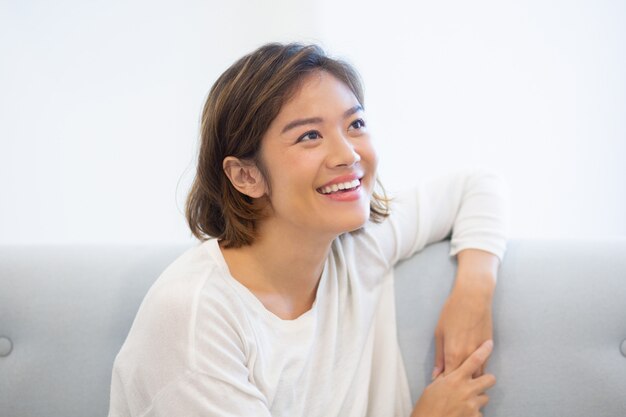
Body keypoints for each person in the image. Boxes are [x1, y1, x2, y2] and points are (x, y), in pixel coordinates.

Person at [108, 43, 508, 417]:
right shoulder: (195, 319)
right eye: (310, 136)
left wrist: (473, 291)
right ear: (246, 175)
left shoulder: (358, 248)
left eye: (355, 124)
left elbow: (477, 187)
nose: (348, 154)